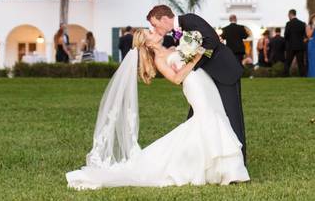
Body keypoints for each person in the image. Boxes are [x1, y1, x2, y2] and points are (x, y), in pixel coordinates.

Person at [65, 28, 249, 190]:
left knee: (217, 116)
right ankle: (226, 170)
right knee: (207, 119)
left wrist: (200, 47)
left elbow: (195, 55)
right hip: (194, 87)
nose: (155, 32)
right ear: (148, 44)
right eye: (150, 34)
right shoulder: (160, 59)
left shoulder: (171, 47)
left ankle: (221, 168)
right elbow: (177, 79)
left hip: (205, 82)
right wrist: (196, 59)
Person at [147, 5, 247, 163]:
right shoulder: (176, 34)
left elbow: (212, 41)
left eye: (154, 24)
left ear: (164, 19)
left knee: (231, 115)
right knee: (198, 116)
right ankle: (197, 158)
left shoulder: (190, 20)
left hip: (224, 71)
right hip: (204, 79)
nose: (154, 28)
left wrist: (194, 58)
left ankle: (238, 160)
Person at [283, 9, 307, 77]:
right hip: (300, 46)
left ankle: (285, 76)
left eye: (288, 15)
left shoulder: (288, 24)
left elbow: (286, 35)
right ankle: (303, 76)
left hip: (291, 46)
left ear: (290, 14)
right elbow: (304, 35)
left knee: (288, 63)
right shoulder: (302, 24)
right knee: (301, 63)